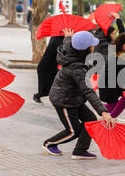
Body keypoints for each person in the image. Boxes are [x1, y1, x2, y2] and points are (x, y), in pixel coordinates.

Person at [44, 30, 115, 159]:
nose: (94, 47)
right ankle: (49, 143)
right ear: (85, 49)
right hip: (63, 100)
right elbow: (88, 90)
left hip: (74, 97)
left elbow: (67, 44)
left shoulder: (72, 50)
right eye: (91, 45)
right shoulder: (77, 68)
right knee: (73, 131)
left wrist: (68, 37)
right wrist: (103, 112)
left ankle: (80, 151)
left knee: (91, 120)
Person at [33, 36, 64, 104]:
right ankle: (37, 96)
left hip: (52, 67)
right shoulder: (57, 41)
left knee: (57, 85)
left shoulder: (56, 38)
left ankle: (57, 101)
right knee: (47, 89)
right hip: (45, 68)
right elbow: (64, 51)